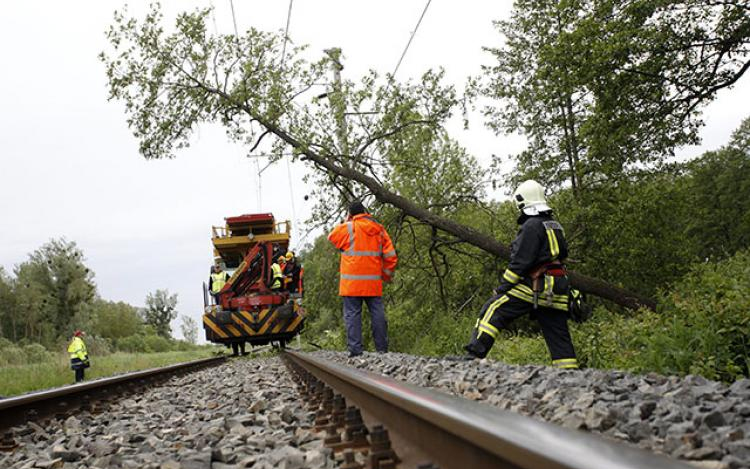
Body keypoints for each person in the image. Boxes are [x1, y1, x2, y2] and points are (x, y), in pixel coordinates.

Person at [463, 180, 578, 369]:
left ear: (523, 202)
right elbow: (563, 254)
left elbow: (519, 263)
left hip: (538, 285)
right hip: (558, 286)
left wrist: (501, 289)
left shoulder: (531, 226)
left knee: (494, 308)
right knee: (558, 333)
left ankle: (473, 355)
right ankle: (569, 373)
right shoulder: (555, 225)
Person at [328, 200, 398, 357]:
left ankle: (355, 350)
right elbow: (391, 257)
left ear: (350, 214)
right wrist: (385, 275)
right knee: (377, 313)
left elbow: (332, 236)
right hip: (373, 282)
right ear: (365, 211)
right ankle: (382, 349)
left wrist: (347, 220)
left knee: (352, 314)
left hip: (351, 283)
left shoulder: (348, 227)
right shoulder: (378, 229)